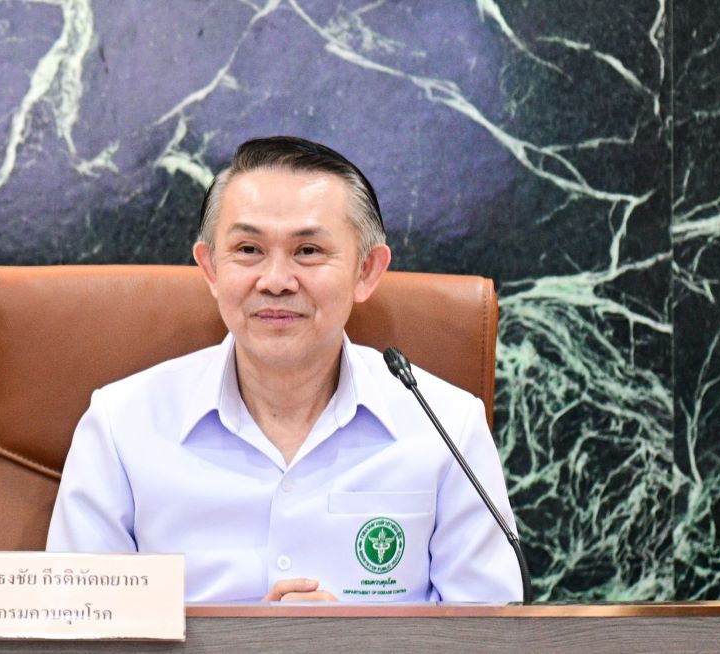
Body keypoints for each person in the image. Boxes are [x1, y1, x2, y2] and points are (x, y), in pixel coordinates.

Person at [46, 136, 523, 603]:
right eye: (248, 250)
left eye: (308, 251)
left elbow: (492, 635)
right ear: (210, 269)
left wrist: (353, 643)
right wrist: (256, 640)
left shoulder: (447, 427)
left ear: (366, 271)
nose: (275, 281)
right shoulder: (122, 425)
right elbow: (76, 628)